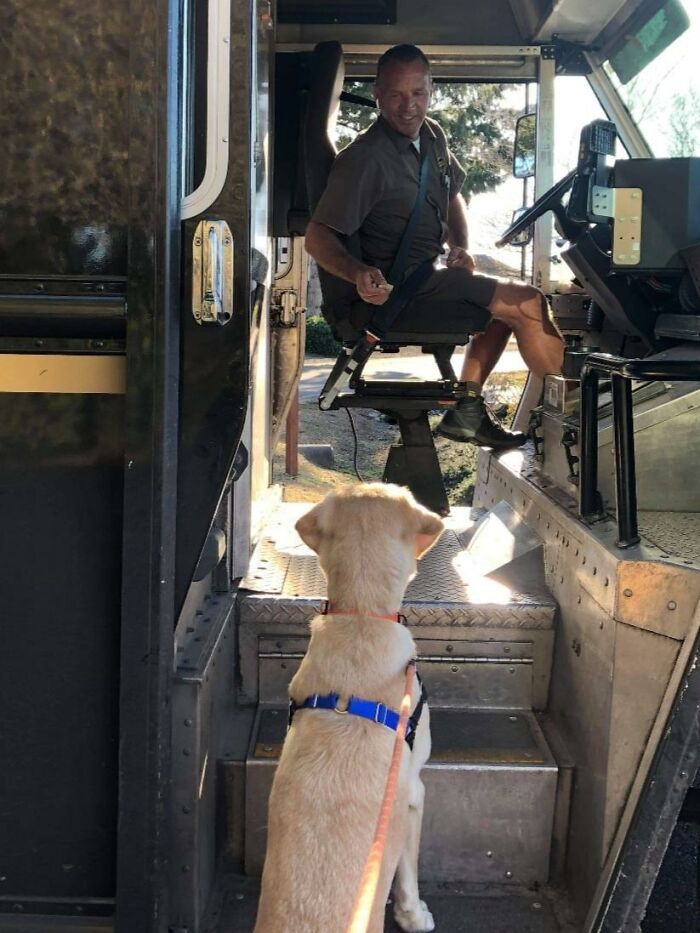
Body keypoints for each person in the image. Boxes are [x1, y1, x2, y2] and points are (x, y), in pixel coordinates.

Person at [305, 43, 564, 450]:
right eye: (395, 95)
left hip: (429, 277)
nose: (408, 107)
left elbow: (450, 196)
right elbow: (317, 236)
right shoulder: (365, 159)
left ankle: (467, 412)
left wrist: (460, 246)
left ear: (431, 90)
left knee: (501, 311)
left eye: (418, 94)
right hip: (395, 296)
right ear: (376, 93)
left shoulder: (432, 136)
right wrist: (358, 273)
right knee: (527, 304)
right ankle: (573, 422)